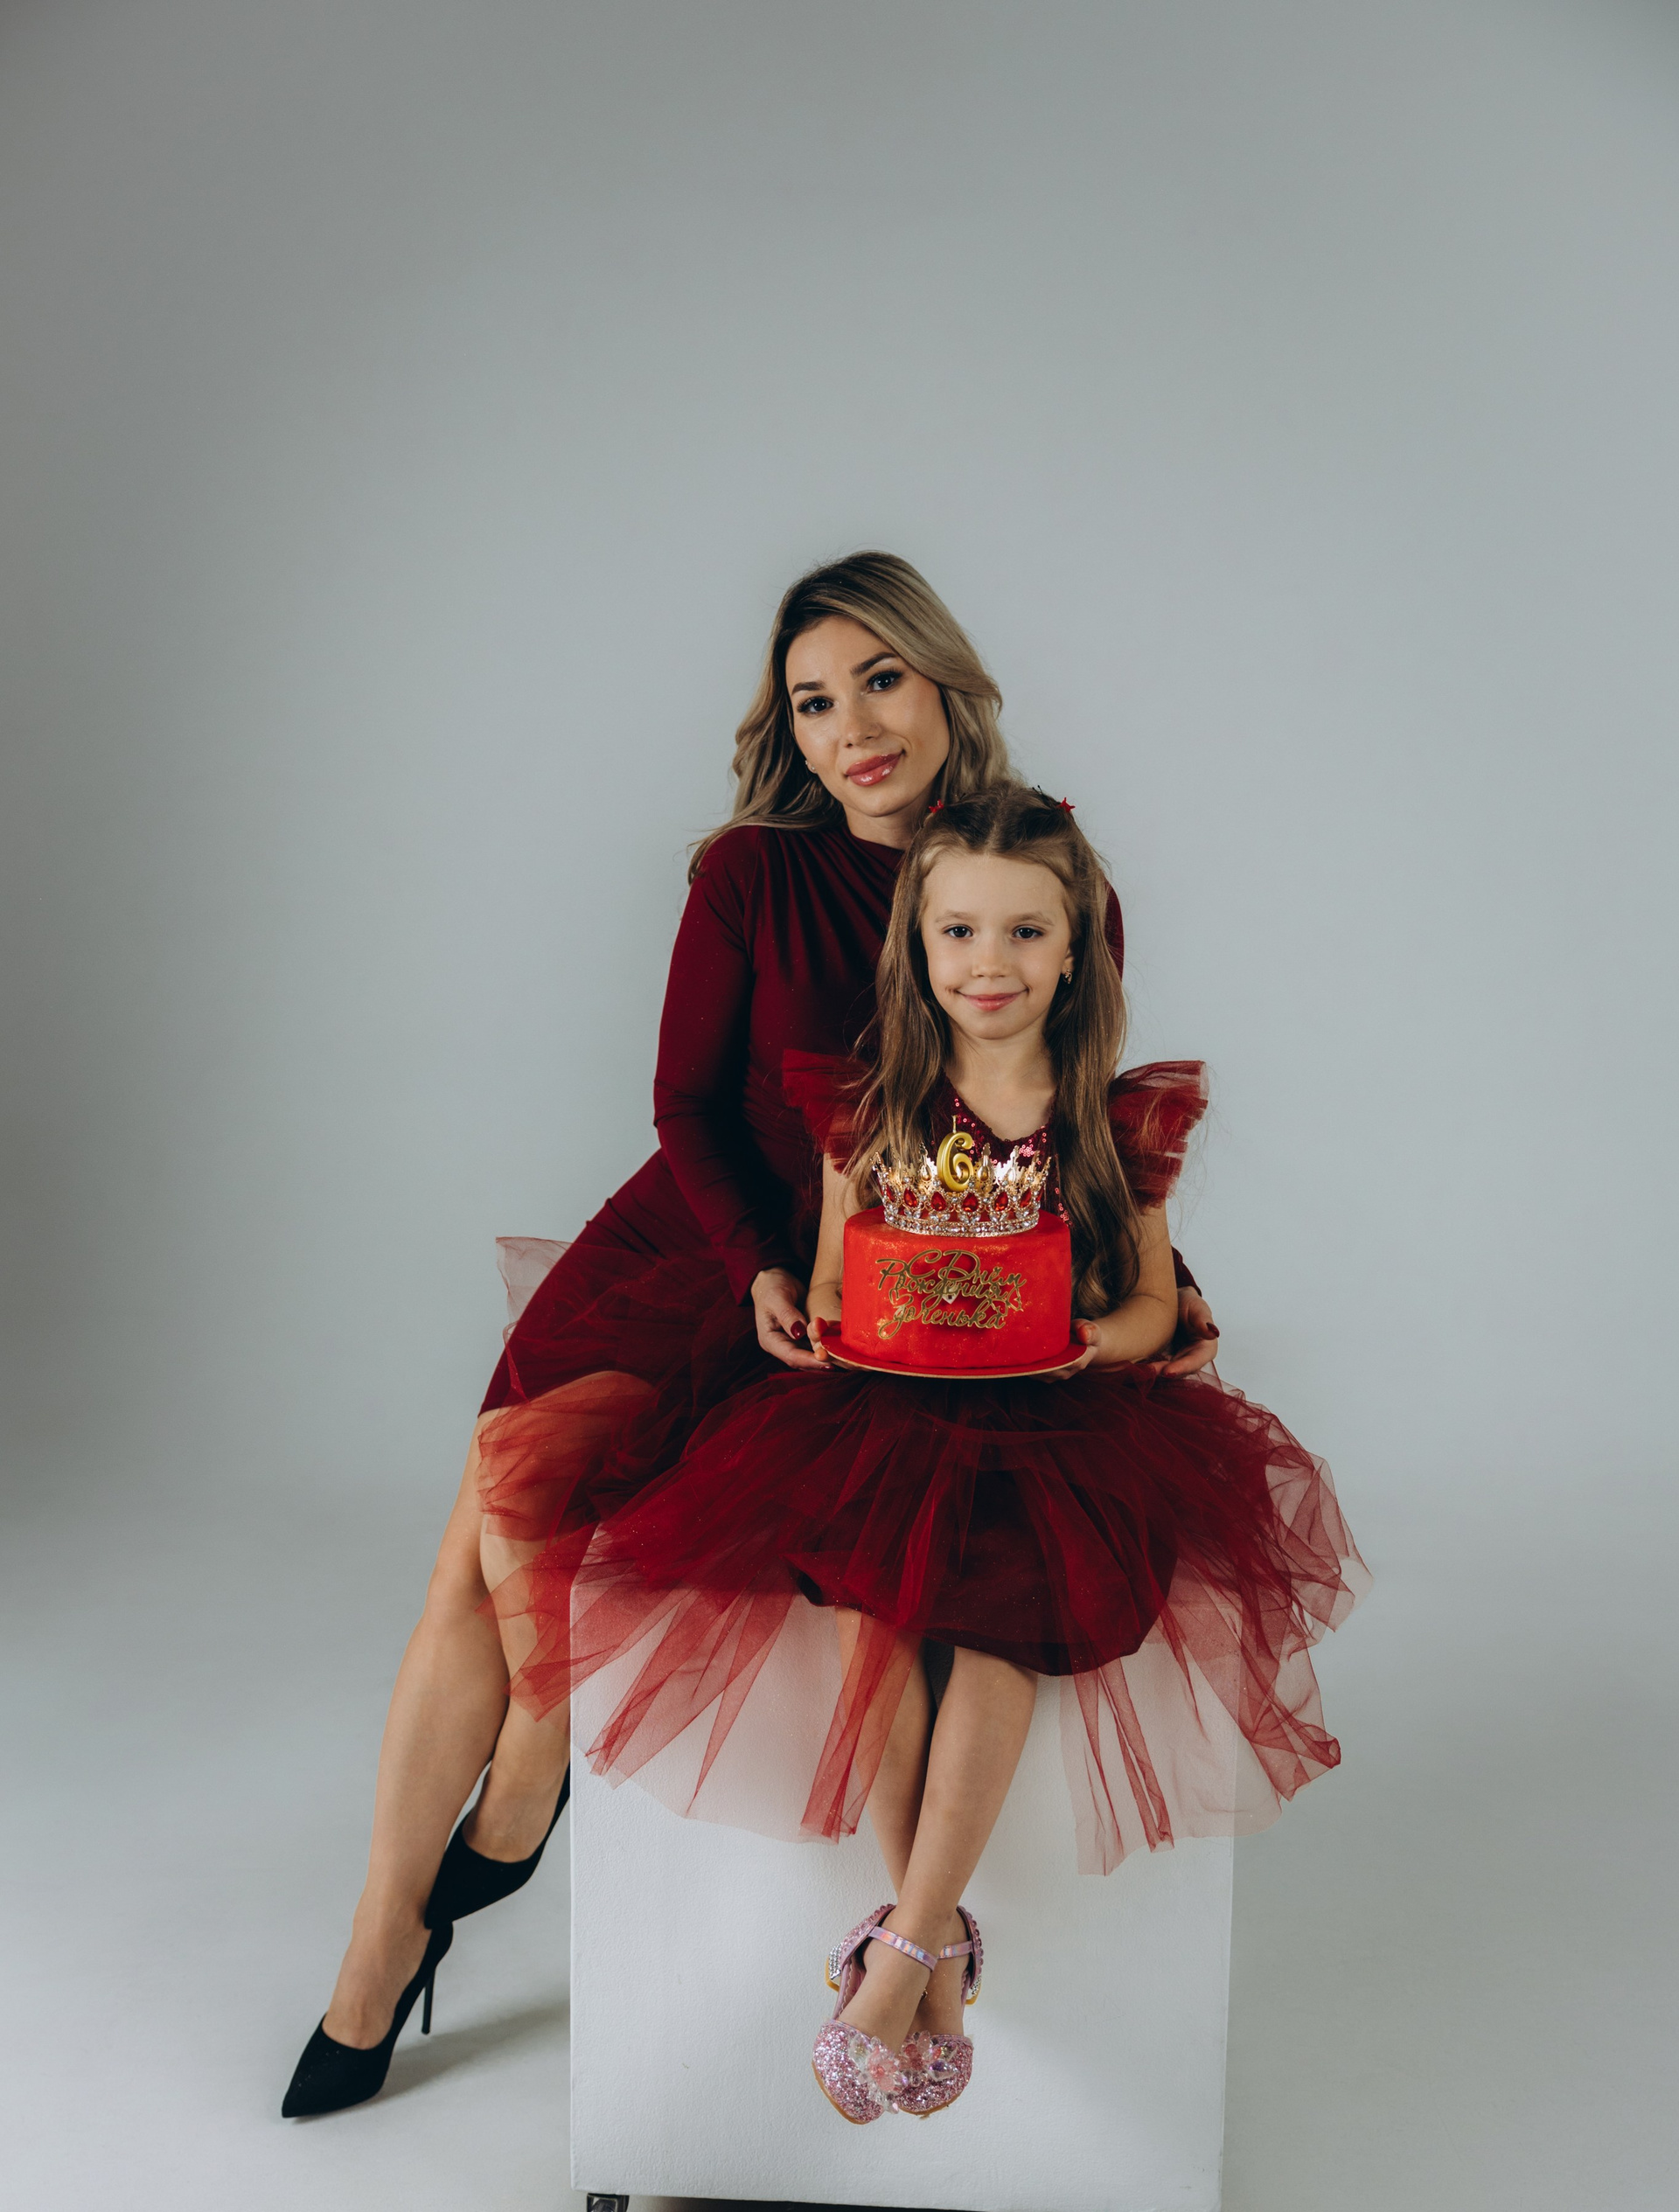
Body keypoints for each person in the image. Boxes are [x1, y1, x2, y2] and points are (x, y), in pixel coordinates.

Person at [282, 562, 1218, 2119]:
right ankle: (407, 1918)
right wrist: (760, 1272)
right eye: (814, 701)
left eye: (881, 681)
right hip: (712, 1237)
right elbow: (687, 1103)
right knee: (490, 1510)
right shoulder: (751, 873)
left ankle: (514, 1812)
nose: (853, 728)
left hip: (906, 1271)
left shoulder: (1044, 874)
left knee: (605, 1531)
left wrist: (1158, 1292)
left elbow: (1064, 1118)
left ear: (946, 682)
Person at [537, 785, 1365, 2122]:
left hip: (1059, 1424)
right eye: (960, 932)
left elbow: (1152, 1304)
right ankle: (929, 1953)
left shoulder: (1111, 1120)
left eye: (1028, 933)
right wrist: (826, 1321)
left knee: (1003, 1625)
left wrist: (1088, 1340)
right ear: (916, 947)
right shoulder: (871, 1107)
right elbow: (834, 1275)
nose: (992, 964)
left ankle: (907, 1947)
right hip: (888, 1412)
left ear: (1078, 950)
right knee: (875, 1610)